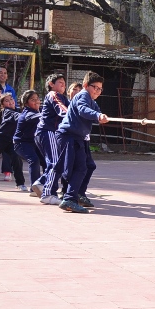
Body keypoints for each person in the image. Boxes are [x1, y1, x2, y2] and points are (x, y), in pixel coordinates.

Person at [56, 73, 108, 213]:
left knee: (89, 166)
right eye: (94, 87)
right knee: (78, 168)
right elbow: (83, 110)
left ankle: (78, 193)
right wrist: (97, 116)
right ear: (86, 86)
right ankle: (69, 199)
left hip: (79, 137)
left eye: (100, 89)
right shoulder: (82, 96)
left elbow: (94, 112)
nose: (97, 91)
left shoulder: (92, 101)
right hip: (69, 136)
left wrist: (100, 117)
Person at [36, 73, 70, 206]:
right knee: (55, 162)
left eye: (64, 82)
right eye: (60, 82)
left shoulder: (63, 97)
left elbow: (71, 107)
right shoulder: (53, 95)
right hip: (47, 132)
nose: (63, 85)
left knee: (55, 162)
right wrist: (73, 115)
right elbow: (63, 110)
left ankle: (40, 183)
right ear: (51, 84)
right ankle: (48, 194)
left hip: (49, 133)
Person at [14, 90, 44, 195]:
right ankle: (34, 189)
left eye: (37, 99)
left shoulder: (39, 110)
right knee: (34, 160)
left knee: (47, 161)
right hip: (21, 143)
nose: (36, 101)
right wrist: (47, 115)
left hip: (34, 143)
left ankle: (46, 185)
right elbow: (37, 117)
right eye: (33, 100)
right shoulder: (28, 113)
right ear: (26, 103)